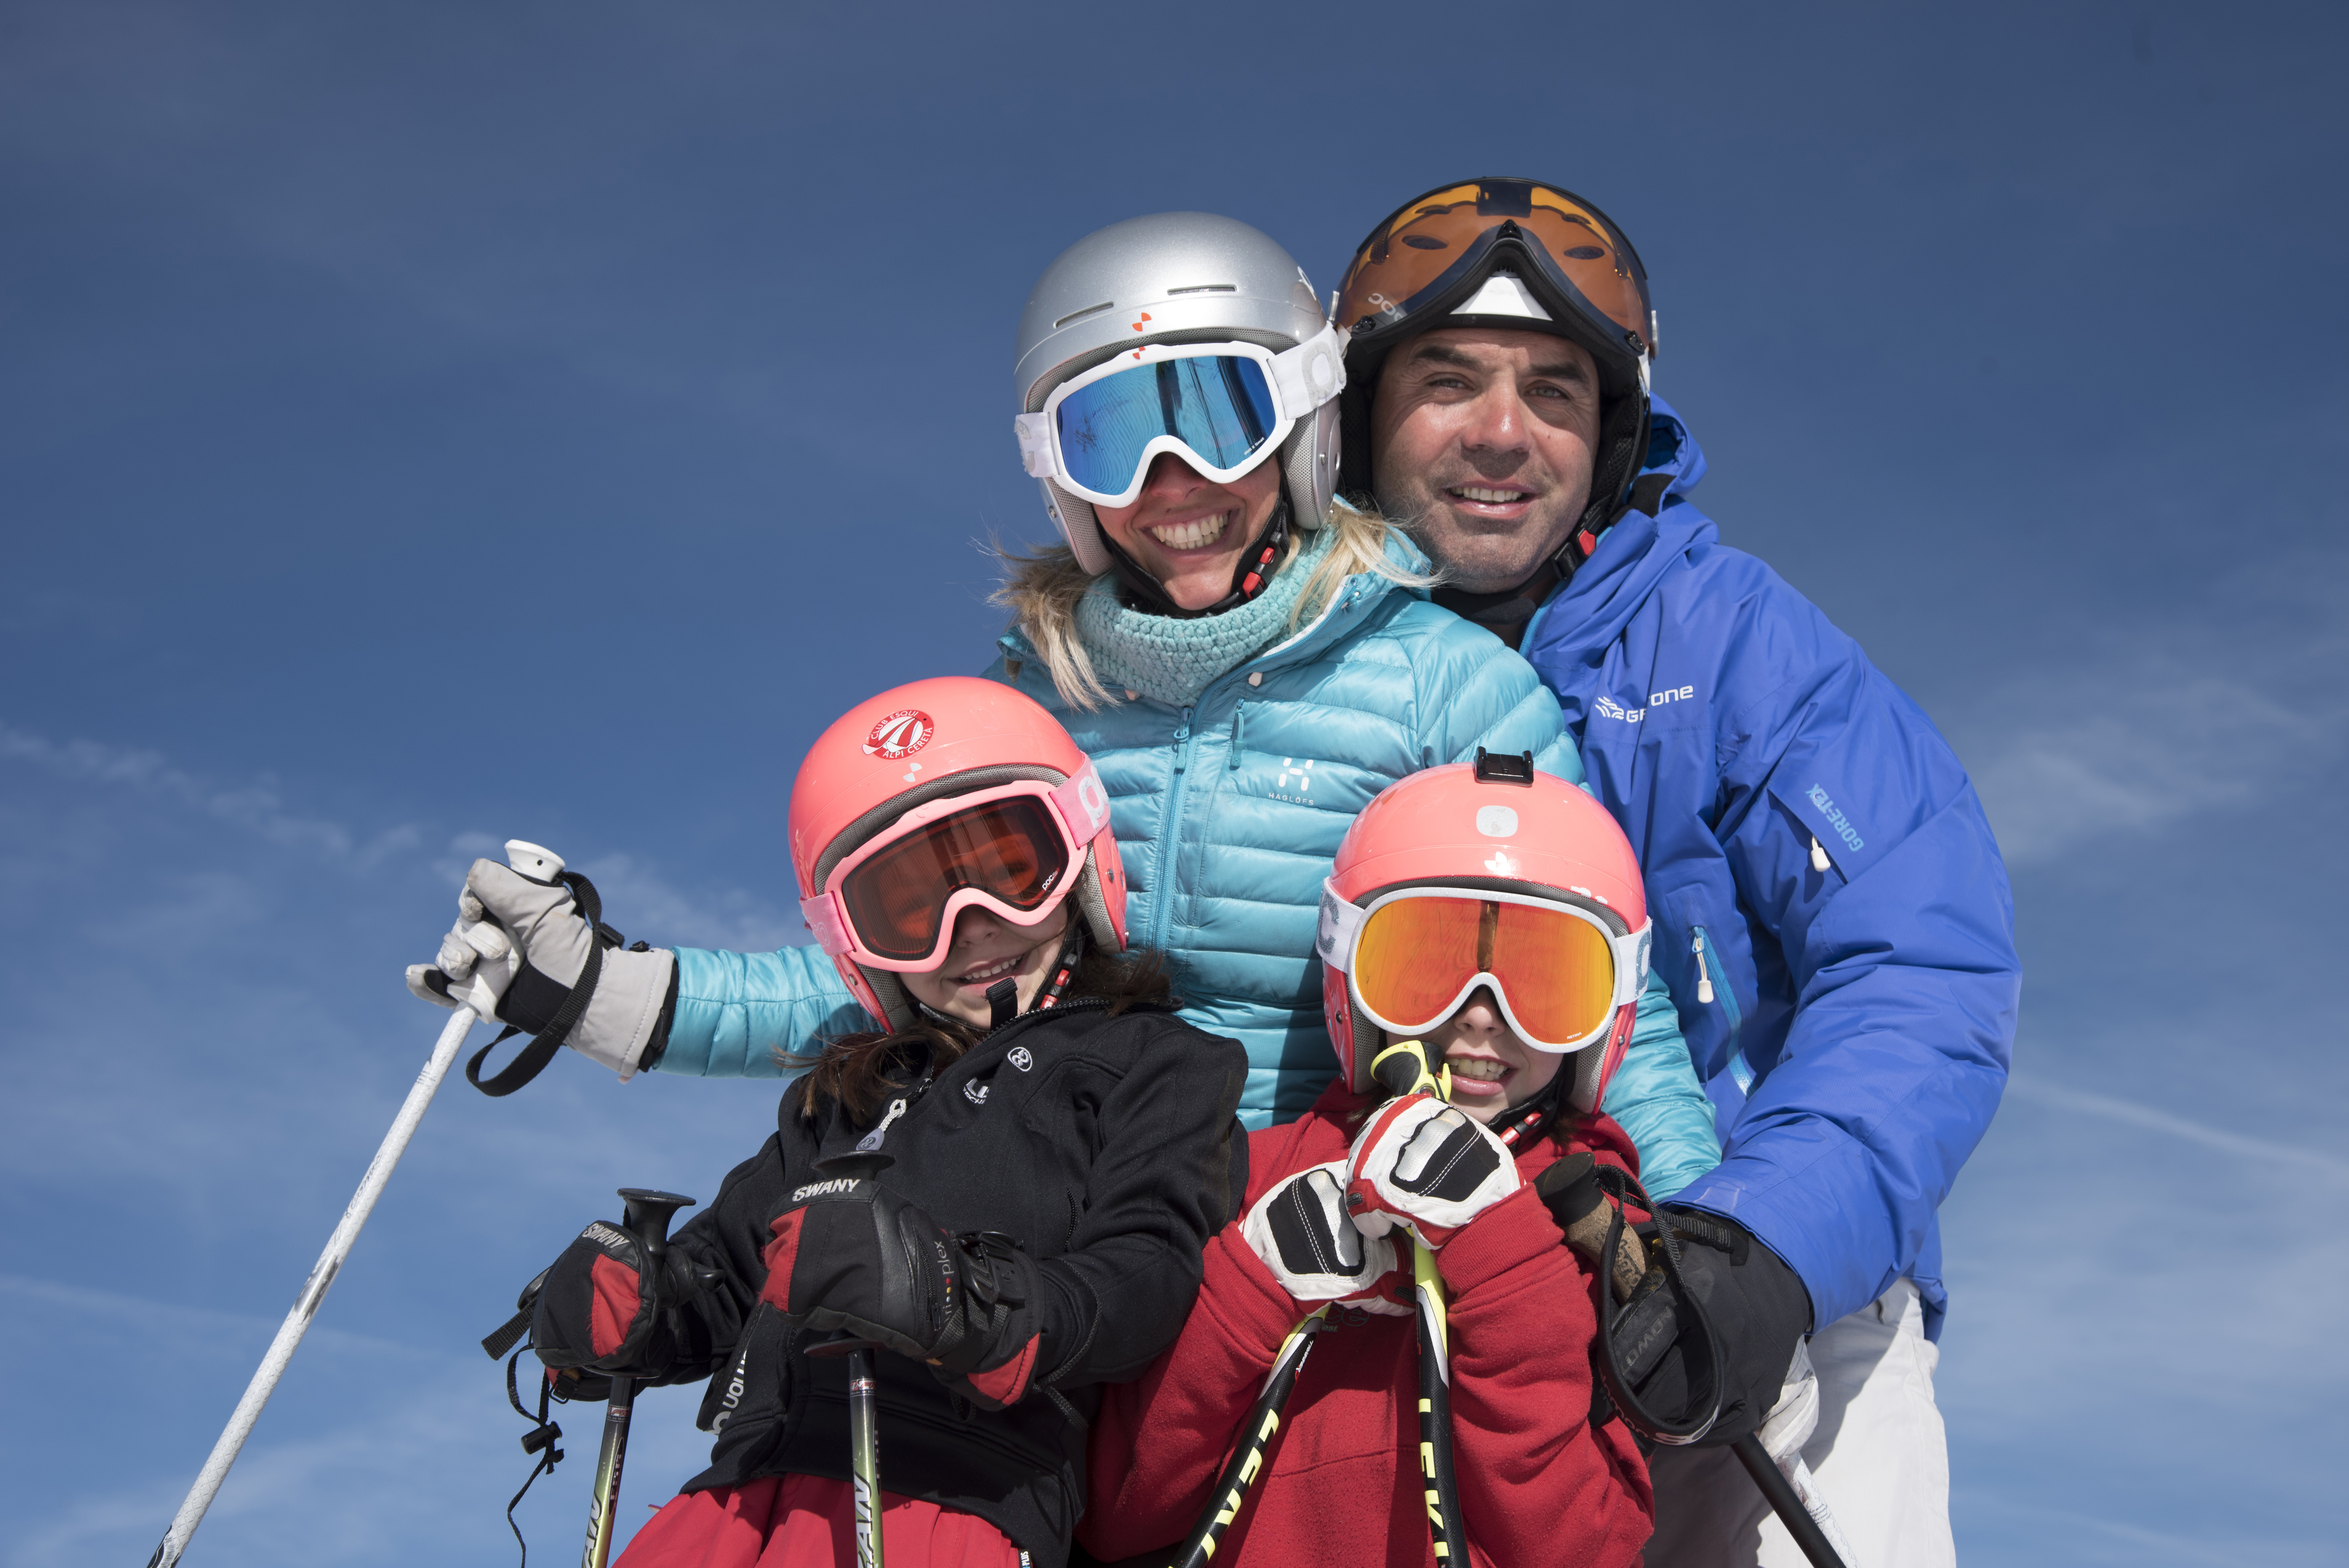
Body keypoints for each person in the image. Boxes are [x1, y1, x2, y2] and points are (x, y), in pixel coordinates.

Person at [407, 210, 1724, 1199]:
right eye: (1110, 439)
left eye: (1217, 415)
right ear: (1059, 478)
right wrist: (601, 992)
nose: (1171, 479)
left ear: (1305, 427)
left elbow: (1601, 991)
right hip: (1092, 1234)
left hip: (1344, 1224)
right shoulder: (1035, 711)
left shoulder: (1449, 687)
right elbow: (905, 969)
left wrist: (1689, 1243)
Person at [1329, 176, 2022, 1567]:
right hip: (1385, 1302)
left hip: (1746, 1315)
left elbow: (1919, 953)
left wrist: (1759, 1245)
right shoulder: (1281, 665)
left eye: (1555, 391)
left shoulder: (1729, 642)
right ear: (1354, 412)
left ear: (1613, 427)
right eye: (1446, 378)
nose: (1500, 434)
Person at [512, 677, 1250, 1568]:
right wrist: (638, 1301)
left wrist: (966, 1299)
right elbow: (726, 1273)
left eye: (1011, 872)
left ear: (1080, 861)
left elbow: (1146, 1276)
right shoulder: (846, 1095)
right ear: (855, 942)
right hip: (731, 1507)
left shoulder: (1153, 1062)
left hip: (954, 1502)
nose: (972, 928)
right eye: (910, 909)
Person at [1080, 759, 1660, 1568]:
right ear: (1352, 978)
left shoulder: (1598, 1224)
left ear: (1607, 1014)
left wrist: (1505, 1265)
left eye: (1544, 979)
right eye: (1422, 968)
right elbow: (1119, 1513)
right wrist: (1250, 1289)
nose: (1481, 1019)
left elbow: (1588, 1548)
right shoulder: (1253, 1177)